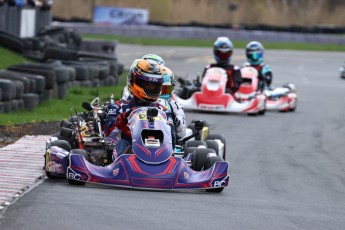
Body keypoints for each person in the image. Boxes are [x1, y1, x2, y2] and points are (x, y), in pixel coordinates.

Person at [104, 58, 176, 156]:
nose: (151, 88)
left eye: (154, 85)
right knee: (122, 143)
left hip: (159, 152)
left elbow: (172, 140)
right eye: (147, 84)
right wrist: (120, 123)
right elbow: (108, 135)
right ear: (135, 81)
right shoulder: (120, 107)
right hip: (129, 153)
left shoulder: (163, 111)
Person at [122, 54, 187, 140]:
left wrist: (174, 120)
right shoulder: (124, 105)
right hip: (134, 142)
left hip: (164, 144)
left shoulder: (170, 107)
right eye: (147, 84)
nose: (151, 89)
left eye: (156, 86)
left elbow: (181, 133)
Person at [158, 66, 186, 139]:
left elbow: (181, 134)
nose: (161, 93)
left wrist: (176, 120)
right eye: (157, 89)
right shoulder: (141, 103)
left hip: (168, 140)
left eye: (164, 89)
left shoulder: (175, 106)